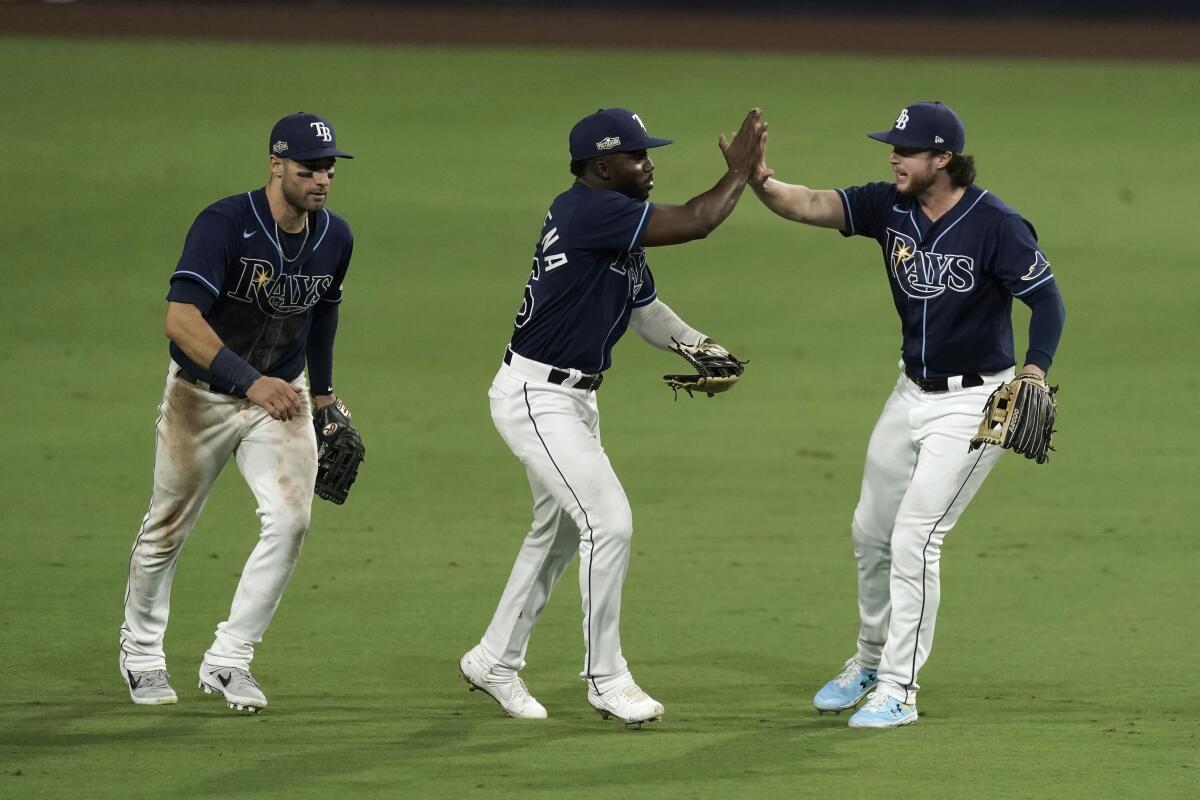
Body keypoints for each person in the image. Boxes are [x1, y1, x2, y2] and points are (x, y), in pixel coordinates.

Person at [751, 101, 1066, 728]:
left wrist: (1035, 369)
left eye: (907, 149)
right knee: (870, 532)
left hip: (983, 400)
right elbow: (810, 203)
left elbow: (1047, 302)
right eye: (892, 146)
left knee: (917, 538)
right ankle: (869, 661)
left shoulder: (997, 224)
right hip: (910, 393)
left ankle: (900, 690)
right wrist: (759, 180)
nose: (893, 157)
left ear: (943, 158)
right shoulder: (888, 205)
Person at [459, 107, 767, 726]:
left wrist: (699, 345)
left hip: (569, 399)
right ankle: (606, 677)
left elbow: (643, 307)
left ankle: (494, 658)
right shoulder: (587, 210)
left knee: (559, 533)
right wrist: (739, 172)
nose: (649, 164)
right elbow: (699, 221)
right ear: (601, 167)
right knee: (609, 522)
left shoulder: (611, 223)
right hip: (537, 397)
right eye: (637, 156)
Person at [119, 112, 356, 712]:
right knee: (165, 530)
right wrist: (251, 383)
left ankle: (230, 659)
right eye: (308, 168)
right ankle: (142, 655)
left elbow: (322, 315)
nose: (321, 180)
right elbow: (180, 321)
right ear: (275, 164)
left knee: (291, 519)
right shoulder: (224, 224)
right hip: (201, 396)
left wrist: (323, 397)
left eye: (328, 168)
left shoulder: (335, 236)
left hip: (281, 396)